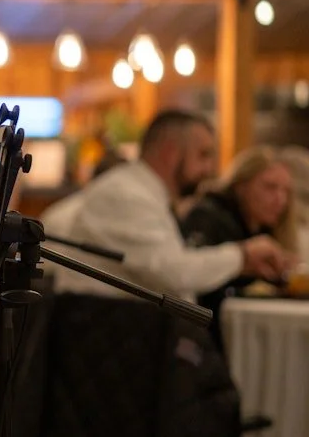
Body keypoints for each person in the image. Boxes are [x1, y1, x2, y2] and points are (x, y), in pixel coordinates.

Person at [52, 109, 292, 301]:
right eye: (203, 155)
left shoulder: (143, 193)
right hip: (107, 341)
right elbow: (172, 273)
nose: (210, 170)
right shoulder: (125, 195)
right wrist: (242, 256)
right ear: (170, 153)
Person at [181, 146, 299, 328]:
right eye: (270, 187)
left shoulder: (264, 229)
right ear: (241, 186)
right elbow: (193, 279)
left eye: (285, 191)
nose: (280, 199)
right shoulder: (207, 216)